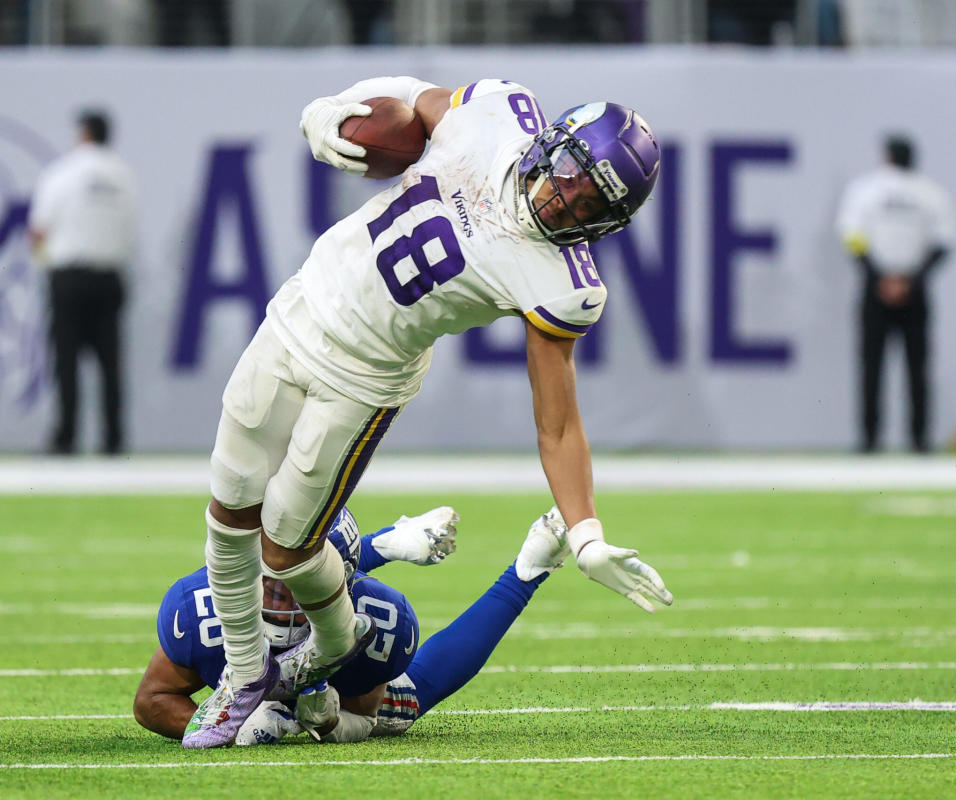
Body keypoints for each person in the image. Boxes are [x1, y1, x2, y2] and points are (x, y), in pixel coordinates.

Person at [187, 76, 668, 748]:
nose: (565, 200)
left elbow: (557, 422)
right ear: (551, 144)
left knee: (288, 546)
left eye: (590, 204)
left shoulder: (563, 283)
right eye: (569, 175)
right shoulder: (499, 116)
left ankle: (333, 643)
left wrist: (585, 534)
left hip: (364, 375)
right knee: (228, 506)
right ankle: (244, 677)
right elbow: (413, 97)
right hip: (301, 309)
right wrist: (331, 111)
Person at [140, 506, 670, 745]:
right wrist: (228, 726)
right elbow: (152, 701)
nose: (279, 596)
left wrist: (327, 722)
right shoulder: (199, 607)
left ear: (347, 580)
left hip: (332, 668)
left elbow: (364, 715)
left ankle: (524, 571)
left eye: (295, 584)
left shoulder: (379, 622)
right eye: (266, 579)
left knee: (407, 701)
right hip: (268, 650)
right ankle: (386, 543)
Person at [28, 109, 139, 455]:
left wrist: (45, 263)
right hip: (109, 276)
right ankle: (114, 439)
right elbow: (131, 230)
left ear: (84, 134)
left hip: (69, 278)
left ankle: (66, 437)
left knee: (66, 362)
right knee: (110, 364)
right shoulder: (124, 177)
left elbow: (39, 230)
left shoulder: (63, 172)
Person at [837, 135, 954, 453]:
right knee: (917, 368)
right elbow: (942, 244)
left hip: (877, 286)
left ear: (886, 157)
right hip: (914, 287)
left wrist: (879, 276)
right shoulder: (931, 194)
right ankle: (919, 440)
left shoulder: (865, 190)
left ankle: (869, 440)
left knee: (872, 367)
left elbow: (852, 237)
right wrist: (911, 279)